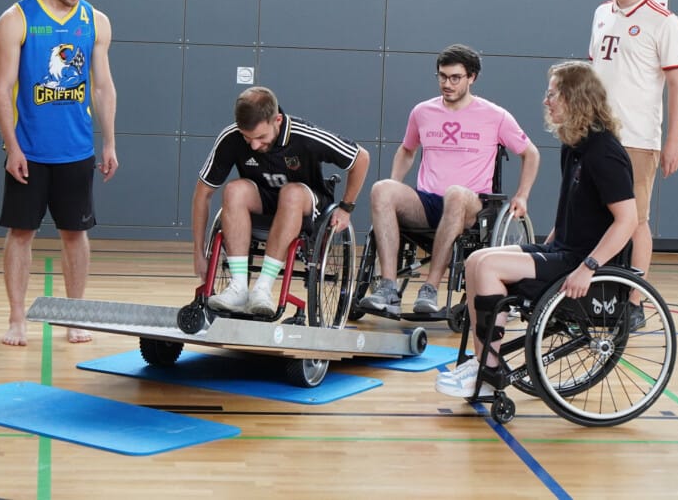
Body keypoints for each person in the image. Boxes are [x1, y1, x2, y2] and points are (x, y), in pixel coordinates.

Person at [436, 61, 637, 397]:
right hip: (563, 250)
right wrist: (550, 241)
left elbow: (627, 220)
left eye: (552, 94)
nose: (546, 101)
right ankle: (483, 361)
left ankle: (490, 368)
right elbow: (579, 206)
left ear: (575, 98)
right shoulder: (575, 145)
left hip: (582, 262)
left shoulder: (605, 153)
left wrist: (589, 268)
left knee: (488, 266)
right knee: (476, 260)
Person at [0, 0, 118, 346]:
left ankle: (74, 316)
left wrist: (110, 142)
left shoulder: (95, 21)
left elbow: (102, 86)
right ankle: (17, 318)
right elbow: (1, 88)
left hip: (76, 151)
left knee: (75, 235)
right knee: (21, 233)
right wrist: (11, 147)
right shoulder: (16, 19)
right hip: (28, 150)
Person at [360, 44, 540, 315]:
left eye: (455, 77)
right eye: (442, 77)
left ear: (472, 78)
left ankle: (430, 289)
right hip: (428, 202)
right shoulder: (422, 112)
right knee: (382, 189)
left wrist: (522, 194)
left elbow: (531, 153)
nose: (447, 84)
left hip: (471, 205)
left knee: (455, 193)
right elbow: (407, 150)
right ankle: (387, 287)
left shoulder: (495, 115)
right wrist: (396, 182)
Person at [191, 86, 370, 315]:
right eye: (248, 139)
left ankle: (263, 288)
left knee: (291, 193)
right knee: (234, 189)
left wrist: (346, 208)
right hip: (264, 200)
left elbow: (361, 158)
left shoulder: (305, 137)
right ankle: (238, 287)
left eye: (260, 137)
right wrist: (198, 253)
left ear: (277, 119)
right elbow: (202, 194)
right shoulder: (231, 137)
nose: (254, 145)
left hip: (306, 202)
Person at [589, 0, 678, 328]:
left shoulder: (663, 20)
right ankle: (592, 294)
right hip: (594, 134)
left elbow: (677, 85)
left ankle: (635, 301)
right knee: (591, 216)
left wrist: (672, 141)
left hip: (636, 138)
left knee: (636, 220)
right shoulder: (600, 14)